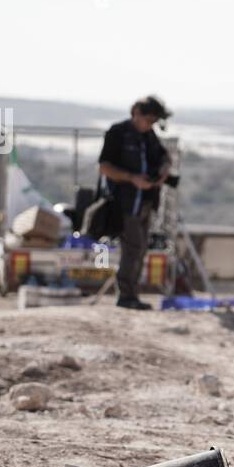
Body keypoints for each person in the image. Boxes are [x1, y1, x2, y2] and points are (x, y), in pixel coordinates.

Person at [98, 96, 171, 310]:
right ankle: (126, 295)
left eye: (153, 122)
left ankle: (131, 293)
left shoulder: (149, 136)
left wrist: (164, 170)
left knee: (139, 249)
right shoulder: (117, 133)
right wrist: (132, 178)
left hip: (146, 203)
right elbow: (104, 167)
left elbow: (164, 156)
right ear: (136, 112)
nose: (149, 125)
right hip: (124, 203)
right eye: (147, 120)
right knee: (133, 247)